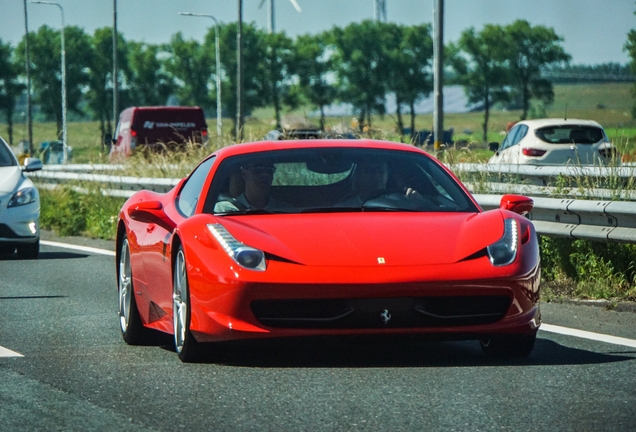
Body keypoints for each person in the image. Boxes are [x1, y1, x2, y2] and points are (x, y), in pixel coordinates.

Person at [337, 159, 426, 207]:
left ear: (387, 176)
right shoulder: (342, 208)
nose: (376, 175)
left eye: (381, 171)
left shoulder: (402, 203)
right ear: (358, 176)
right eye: (369, 170)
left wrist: (418, 203)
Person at [214, 160, 291, 212]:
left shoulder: (286, 210)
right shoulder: (223, 210)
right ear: (244, 174)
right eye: (258, 169)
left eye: (269, 169)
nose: (265, 174)